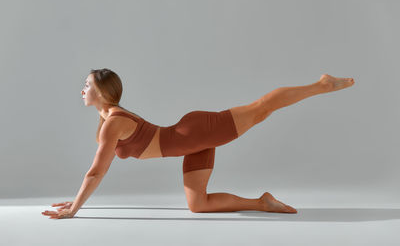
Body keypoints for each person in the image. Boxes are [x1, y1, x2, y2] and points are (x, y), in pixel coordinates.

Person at [42, 68, 355, 219]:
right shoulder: (108, 121)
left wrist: (75, 208)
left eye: (87, 85)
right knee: (198, 205)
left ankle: (321, 85)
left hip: (194, 133)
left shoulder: (113, 122)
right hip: (190, 144)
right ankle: (263, 202)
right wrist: (75, 203)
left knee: (260, 109)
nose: (82, 90)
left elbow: (96, 172)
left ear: (104, 92)